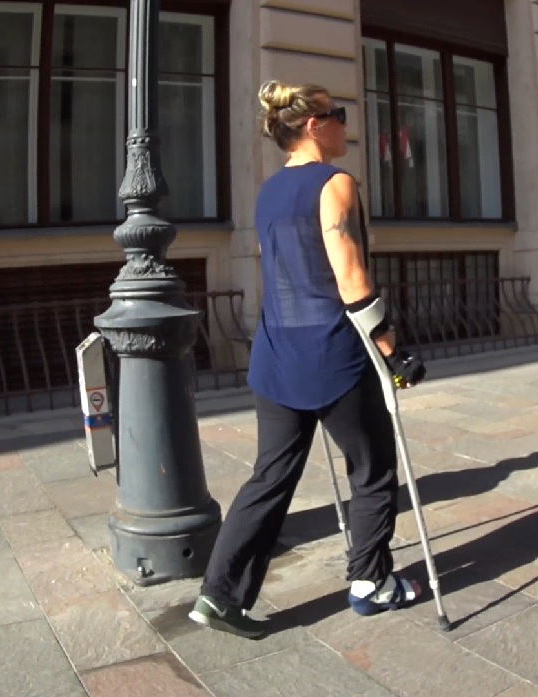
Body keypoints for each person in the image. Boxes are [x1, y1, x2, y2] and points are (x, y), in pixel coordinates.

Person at [188, 80, 427, 639]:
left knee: (269, 477)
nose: (347, 123)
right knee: (372, 470)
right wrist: (393, 352)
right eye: (338, 114)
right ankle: (371, 584)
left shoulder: (268, 192)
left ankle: (218, 595)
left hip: (276, 356)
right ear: (314, 125)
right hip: (335, 355)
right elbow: (351, 279)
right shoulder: (337, 183)